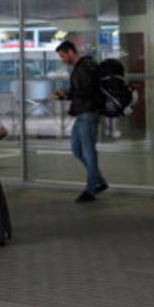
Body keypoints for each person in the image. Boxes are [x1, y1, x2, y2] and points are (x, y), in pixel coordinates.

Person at [53, 40, 108, 203]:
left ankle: (91, 190)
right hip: (82, 113)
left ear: (71, 52)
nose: (62, 59)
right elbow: (83, 90)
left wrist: (68, 94)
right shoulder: (81, 67)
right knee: (76, 149)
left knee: (88, 152)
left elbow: (88, 91)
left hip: (88, 113)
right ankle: (99, 181)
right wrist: (68, 93)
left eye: (63, 56)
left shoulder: (84, 68)